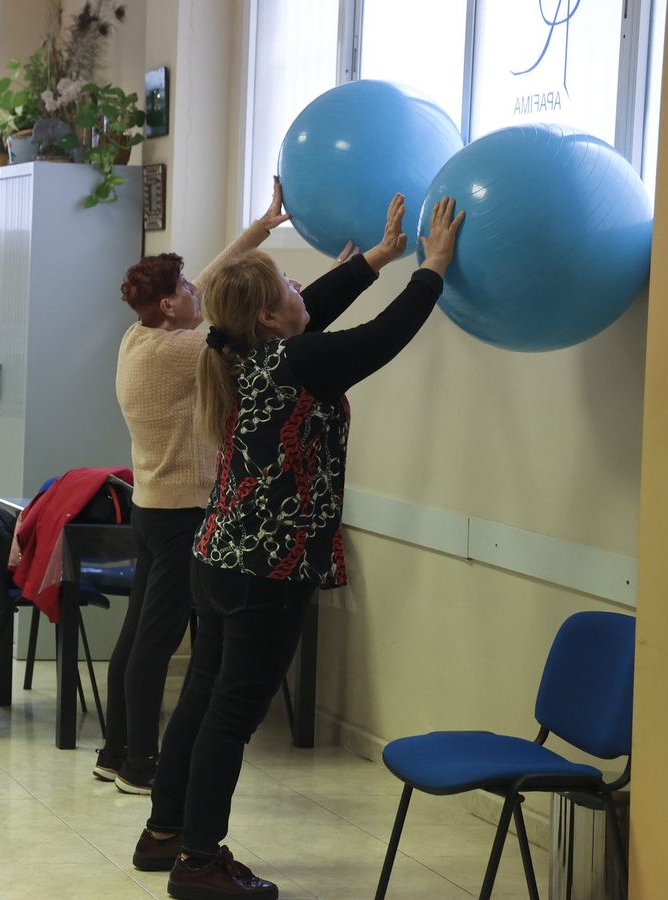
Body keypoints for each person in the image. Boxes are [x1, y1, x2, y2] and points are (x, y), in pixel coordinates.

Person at [133, 194, 464, 899]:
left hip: (218, 554)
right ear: (268, 316)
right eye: (286, 286)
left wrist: (376, 258)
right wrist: (432, 265)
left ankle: (165, 833)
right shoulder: (294, 362)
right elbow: (384, 335)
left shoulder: (234, 347)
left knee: (202, 697)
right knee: (232, 712)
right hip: (266, 570)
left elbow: (310, 304)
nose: (297, 289)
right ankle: (198, 863)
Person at [100, 178, 345, 794]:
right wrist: (324, 288)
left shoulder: (138, 336)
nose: (196, 292)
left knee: (136, 635)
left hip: (151, 508)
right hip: (183, 510)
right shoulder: (182, 352)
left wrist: (263, 228)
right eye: (184, 291)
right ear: (168, 309)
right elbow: (253, 329)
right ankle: (137, 764)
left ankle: (114, 749)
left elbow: (214, 283)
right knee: (155, 641)